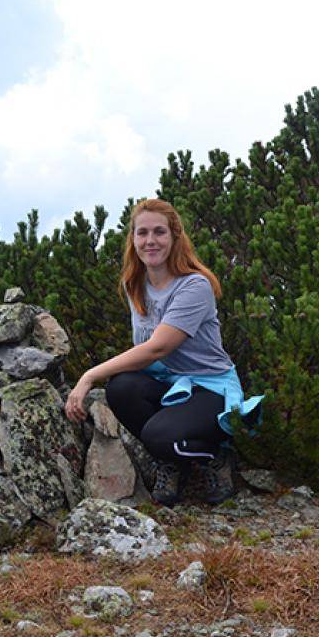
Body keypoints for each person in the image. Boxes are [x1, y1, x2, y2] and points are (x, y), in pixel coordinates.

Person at [64, 198, 261, 507]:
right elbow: (145, 351)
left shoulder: (194, 286)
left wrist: (89, 376)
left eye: (159, 232)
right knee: (120, 388)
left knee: (157, 436)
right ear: (133, 239)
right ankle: (172, 461)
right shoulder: (135, 284)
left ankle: (215, 455)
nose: (150, 241)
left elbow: (158, 347)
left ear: (174, 237)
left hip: (210, 387)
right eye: (142, 233)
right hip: (170, 382)